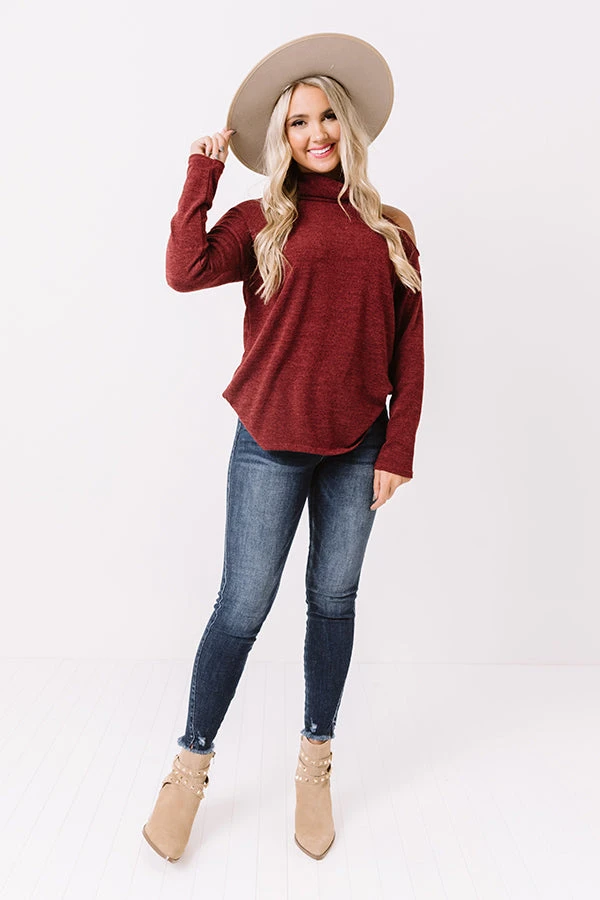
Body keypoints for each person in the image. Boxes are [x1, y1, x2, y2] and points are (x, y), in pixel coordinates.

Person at [143, 32, 424, 864]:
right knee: (241, 608)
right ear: (282, 135)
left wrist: (398, 447)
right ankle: (189, 770)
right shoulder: (262, 218)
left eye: (327, 116)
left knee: (333, 603)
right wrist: (202, 174)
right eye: (299, 121)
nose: (316, 132)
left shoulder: (389, 227)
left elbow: (410, 343)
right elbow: (183, 269)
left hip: (358, 446)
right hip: (269, 440)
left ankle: (314, 767)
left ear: (348, 124)